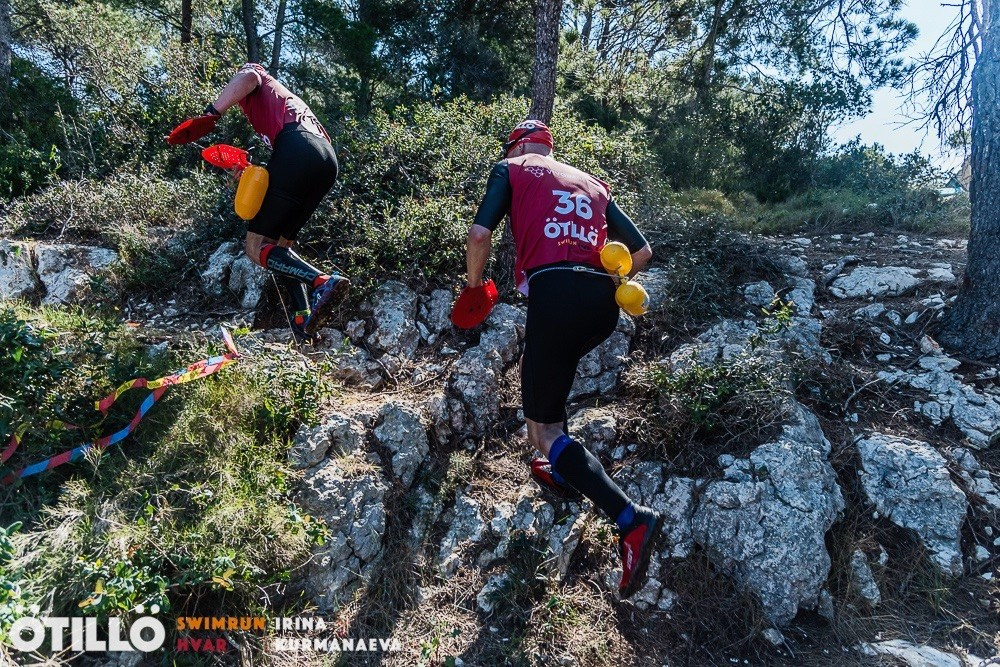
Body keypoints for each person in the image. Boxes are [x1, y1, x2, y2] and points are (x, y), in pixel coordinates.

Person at [463, 120, 662, 599]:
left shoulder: (511, 168)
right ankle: (561, 467)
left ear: (517, 146)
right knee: (548, 402)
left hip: (555, 294)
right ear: (550, 148)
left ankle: (631, 520)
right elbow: (642, 252)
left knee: (543, 427)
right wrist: (604, 280)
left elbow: (478, 236)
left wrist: (473, 288)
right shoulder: (591, 182)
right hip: (601, 306)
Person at [202, 63, 349, 340]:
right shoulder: (282, 105)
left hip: (298, 147)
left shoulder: (256, 78)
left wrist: (212, 113)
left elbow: (249, 75)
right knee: (281, 247)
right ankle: (303, 317)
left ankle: (323, 281)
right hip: (326, 160)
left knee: (256, 248)